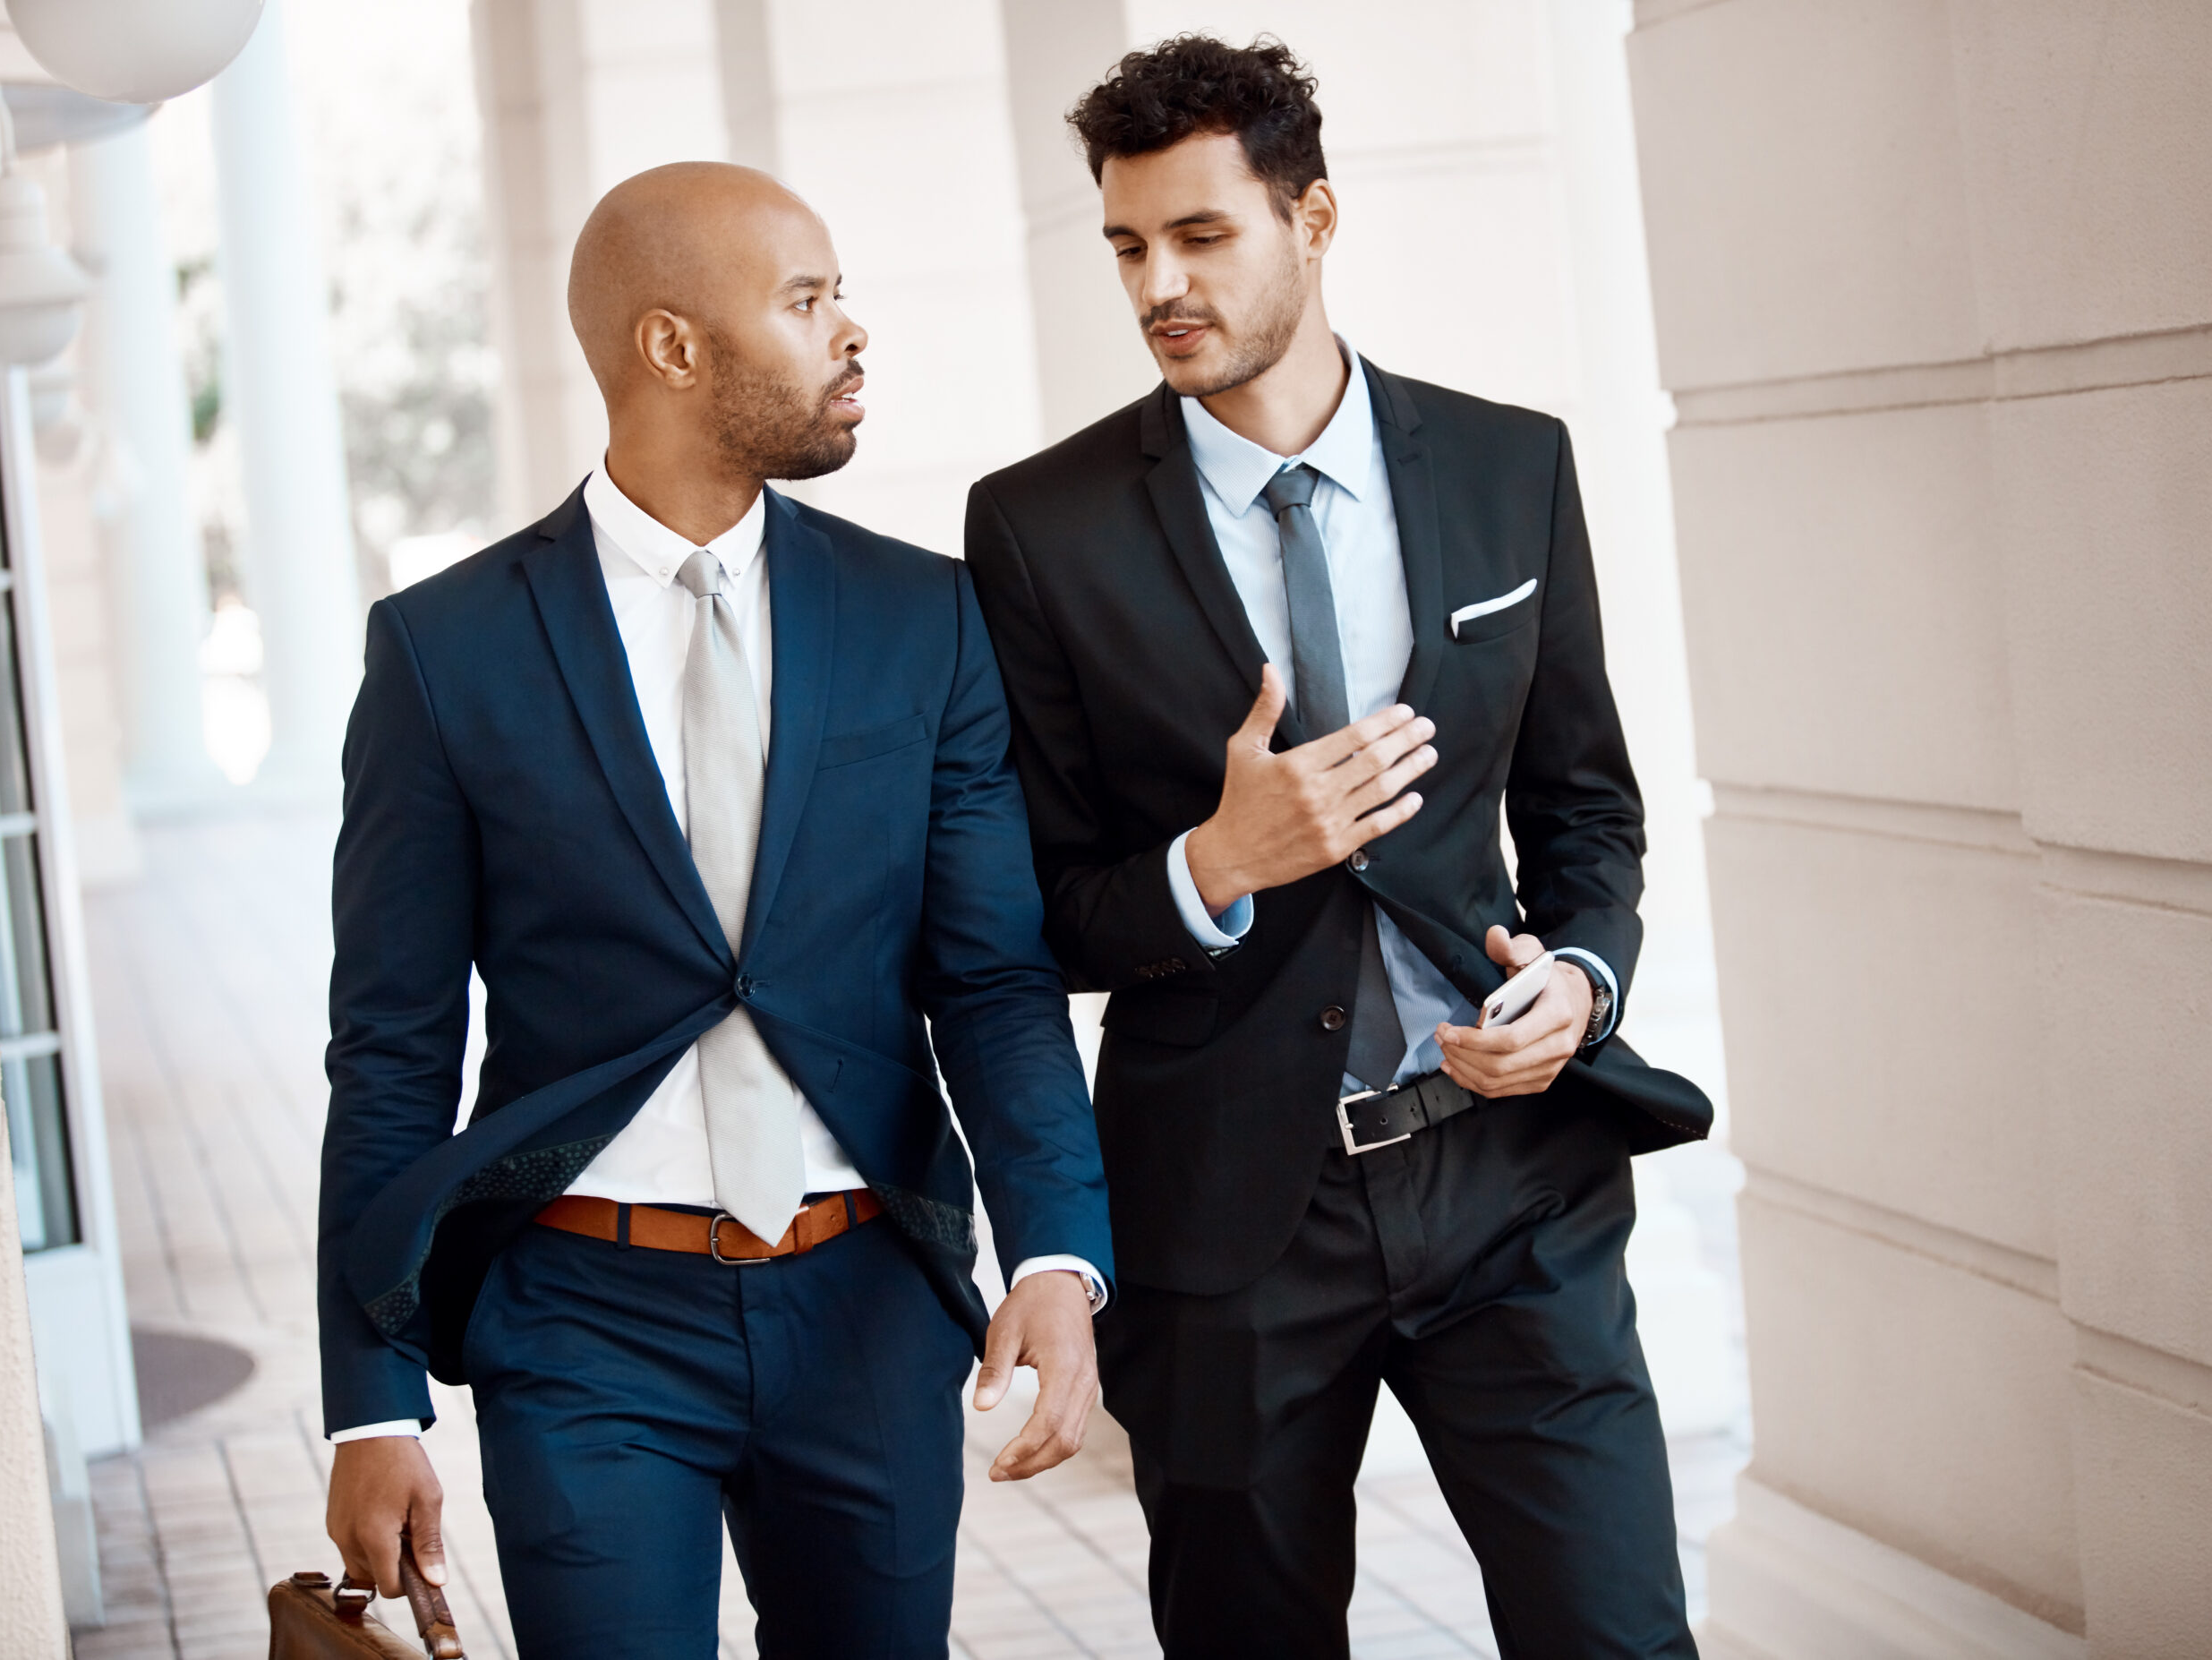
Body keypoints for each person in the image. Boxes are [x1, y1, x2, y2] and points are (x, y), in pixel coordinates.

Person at [962, 35, 1712, 1660]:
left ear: (1312, 219)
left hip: (1516, 1179)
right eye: (1127, 247)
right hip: (1233, 1216)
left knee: (1621, 1635)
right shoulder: (1039, 527)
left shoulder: (1515, 466)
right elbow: (1041, 906)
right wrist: (1216, 863)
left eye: (1200, 236)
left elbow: (1586, 805)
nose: (1157, 283)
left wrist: (1581, 978)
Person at [316, 161, 1112, 1658]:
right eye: (808, 301)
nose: (852, 332)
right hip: (585, 1323)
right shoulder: (444, 652)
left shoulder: (923, 617)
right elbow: (391, 1050)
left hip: (867, 1303)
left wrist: (1059, 1260)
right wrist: (372, 1396)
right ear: (672, 345)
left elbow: (994, 981)